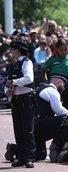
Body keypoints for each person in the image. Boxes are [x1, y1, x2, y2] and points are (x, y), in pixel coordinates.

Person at [5, 40, 36, 168]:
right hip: (16, 100)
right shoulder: (13, 64)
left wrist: (14, 82)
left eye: (12, 49)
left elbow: (29, 78)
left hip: (26, 98)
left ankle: (29, 158)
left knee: (28, 130)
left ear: (18, 50)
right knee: (18, 130)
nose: (11, 52)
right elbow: (8, 82)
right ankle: (21, 157)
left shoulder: (26, 62)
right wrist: (7, 91)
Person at [34, 74, 68, 161]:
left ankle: (14, 149)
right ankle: (57, 146)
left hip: (33, 127)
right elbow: (59, 111)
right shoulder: (52, 91)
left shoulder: (40, 88)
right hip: (39, 125)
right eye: (64, 85)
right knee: (65, 120)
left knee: (40, 155)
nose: (64, 88)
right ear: (59, 82)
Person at [41, 38, 68, 109]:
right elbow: (43, 70)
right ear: (57, 49)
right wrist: (46, 81)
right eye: (61, 50)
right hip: (54, 88)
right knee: (53, 107)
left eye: (65, 50)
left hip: (67, 87)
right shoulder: (52, 59)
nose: (63, 52)